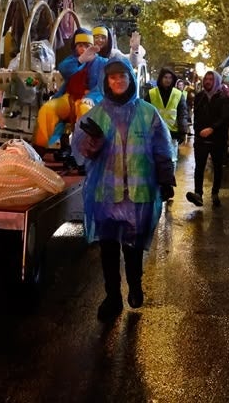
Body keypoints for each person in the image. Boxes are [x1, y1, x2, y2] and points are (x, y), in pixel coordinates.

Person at [71, 56, 175, 321]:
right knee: (108, 248)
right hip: (106, 194)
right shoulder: (96, 114)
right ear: (106, 81)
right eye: (113, 77)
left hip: (138, 194)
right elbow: (82, 153)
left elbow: (163, 149)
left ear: (131, 79)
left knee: (133, 247)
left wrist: (166, 180)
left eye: (122, 76)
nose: (118, 81)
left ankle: (135, 285)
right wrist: (93, 141)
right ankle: (112, 297)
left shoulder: (148, 113)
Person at [33, 29, 106, 149]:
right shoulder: (72, 60)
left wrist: (92, 98)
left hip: (89, 101)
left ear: (93, 47)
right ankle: (39, 148)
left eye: (87, 46)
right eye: (80, 45)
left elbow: (103, 86)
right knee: (48, 109)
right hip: (69, 98)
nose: (83, 49)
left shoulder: (102, 63)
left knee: (85, 111)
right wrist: (80, 60)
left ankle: (84, 151)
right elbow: (64, 69)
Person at [186, 71, 229, 207]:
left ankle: (215, 193)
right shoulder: (200, 96)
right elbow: (196, 115)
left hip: (218, 139)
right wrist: (198, 131)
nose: (207, 81)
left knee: (217, 167)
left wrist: (212, 128)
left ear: (216, 81)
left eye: (211, 79)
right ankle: (198, 194)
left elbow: (225, 117)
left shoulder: (223, 97)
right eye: (206, 79)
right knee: (199, 167)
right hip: (201, 139)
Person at [147, 68, 188, 167]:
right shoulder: (151, 93)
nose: (168, 80)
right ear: (161, 78)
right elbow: (145, 113)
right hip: (155, 133)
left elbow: (182, 114)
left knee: (171, 161)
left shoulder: (178, 94)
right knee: (154, 162)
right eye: (165, 77)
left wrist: (182, 131)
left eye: (170, 78)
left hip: (172, 134)